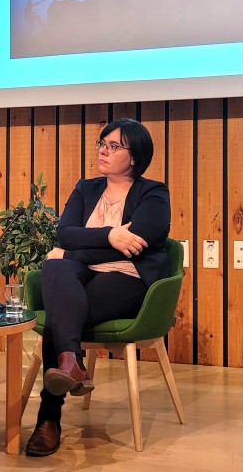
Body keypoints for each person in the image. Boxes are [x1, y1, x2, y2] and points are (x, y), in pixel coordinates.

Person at [25, 118, 171, 457]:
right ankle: (70, 361)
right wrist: (111, 235)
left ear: (134, 157)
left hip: (128, 277)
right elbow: (64, 232)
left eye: (113, 146)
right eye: (102, 144)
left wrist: (75, 251)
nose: (103, 151)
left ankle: (48, 418)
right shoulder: (86, 188)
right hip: (79, 275)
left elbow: (138, 244)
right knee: (56, 268)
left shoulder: (153, 193)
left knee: (60, 313)